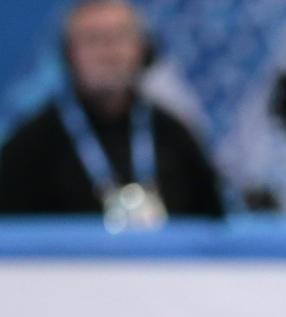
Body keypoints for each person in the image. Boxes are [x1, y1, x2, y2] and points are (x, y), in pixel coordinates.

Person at [0, 0, 224, 221]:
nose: (107, 53)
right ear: (68, 54)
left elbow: (215, 233)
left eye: (119, 38)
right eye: (92, 40)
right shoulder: (30, 148)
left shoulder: (175, 137)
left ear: (143, 48)